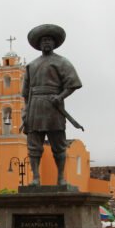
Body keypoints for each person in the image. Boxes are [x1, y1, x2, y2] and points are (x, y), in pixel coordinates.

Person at [21, 24, 83, 186]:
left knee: (59, 145)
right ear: (39, 44)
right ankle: (35, 178)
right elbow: (25, 93)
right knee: (34, 146)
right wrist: (25, 112)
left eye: (49, 40)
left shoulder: (62, 62)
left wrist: (61, 96)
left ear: (54, 43)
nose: (46, 43)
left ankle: (61, 178)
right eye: (43, 40)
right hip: (35, 107)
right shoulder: (31, 65)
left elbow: (72, 84)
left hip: (53, 107)